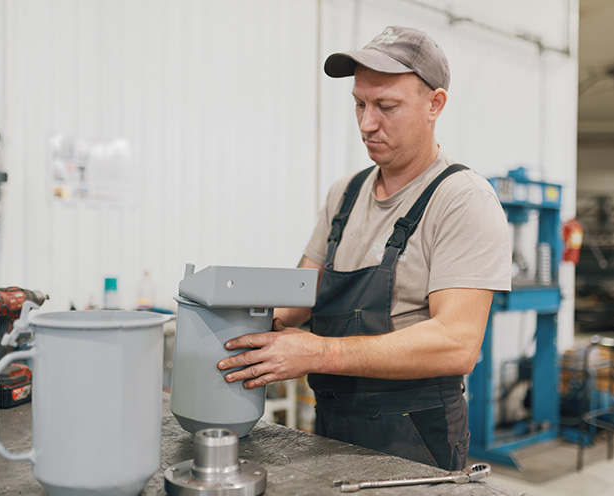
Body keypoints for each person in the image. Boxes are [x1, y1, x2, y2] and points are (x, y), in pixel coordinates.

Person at [217, 25, 511, 469]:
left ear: (435, 104)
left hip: (415, 439)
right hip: (333, 426)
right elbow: (300, 295)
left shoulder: (462, 198)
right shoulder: (346, 193)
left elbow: (457, 342)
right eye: (359, 104)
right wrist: (231, 323)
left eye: (386, 107)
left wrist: (321, 352)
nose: (367, 124)